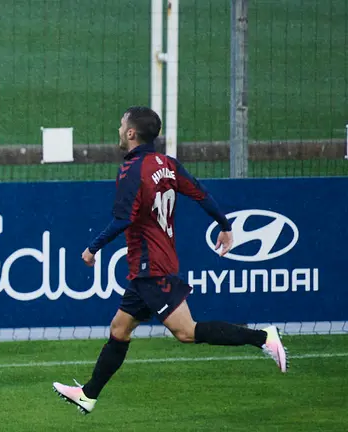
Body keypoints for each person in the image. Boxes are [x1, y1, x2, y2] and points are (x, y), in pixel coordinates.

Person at [52, 106, 288, 415]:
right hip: (148, 266)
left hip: (151, 266)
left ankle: (263, 338)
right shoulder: (167, 164)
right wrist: (225, 225)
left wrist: (92, 248)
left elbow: (123, 218)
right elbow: (201, 193)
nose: (120, 130)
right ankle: (88, 394)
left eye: (122, 125)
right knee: (119, 329)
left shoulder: (131, 170)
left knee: (186, 332)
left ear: (132, 133)